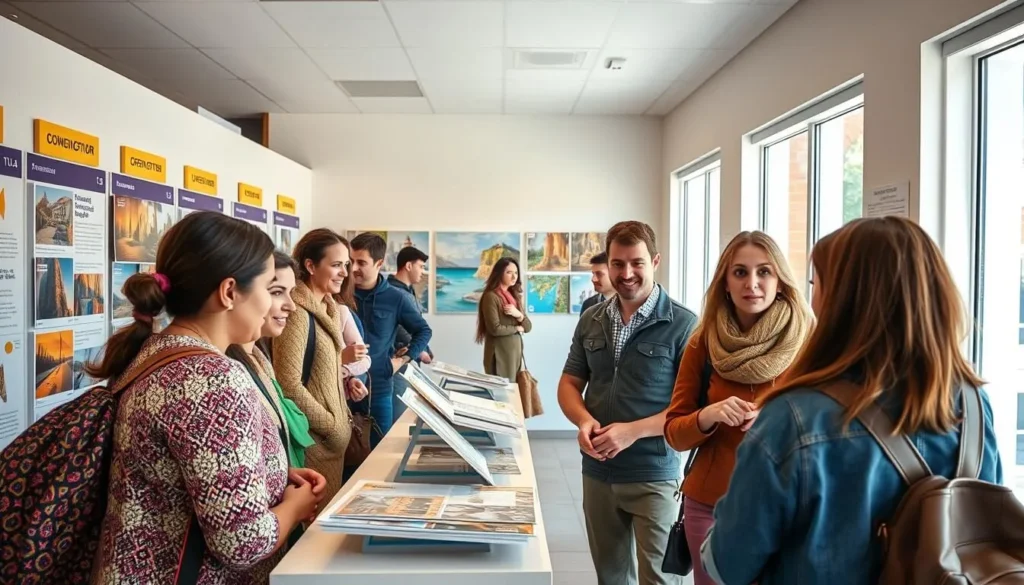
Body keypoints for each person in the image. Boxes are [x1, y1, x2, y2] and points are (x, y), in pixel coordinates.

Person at [700, 217, 1003, 584]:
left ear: (844, 298)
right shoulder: (973, 405)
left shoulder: (794, 417)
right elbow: (985, 530)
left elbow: (727, 565)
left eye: (816, 284)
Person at [94, 211, 323, 584]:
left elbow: (177, 477)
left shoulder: (159, 351)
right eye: (270, 288)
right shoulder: (212, 380)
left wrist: (271, 474)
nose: (277, 303)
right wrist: (296, 508)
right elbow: (243, 544)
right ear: (230, 292)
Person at [662, 231, 811, 585]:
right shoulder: (702, 342)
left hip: (785, 506)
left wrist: (775, 417)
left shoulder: (808, 343)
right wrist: (707, 416)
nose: (753, 283)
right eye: (740, 272)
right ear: (725, 283)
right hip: (711, 505)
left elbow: (827, 428)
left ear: (780, 282)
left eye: (765, 272)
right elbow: (674, 433)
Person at [557, 221, 698, 585]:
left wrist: (631, 433)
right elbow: (570, 383)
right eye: (618, 264)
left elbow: (691, 408)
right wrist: (584, 422)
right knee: (611, 578)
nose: (627, 273)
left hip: (654, 475)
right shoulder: (592, 319)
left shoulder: (684, 324)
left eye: (636, 263)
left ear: (655, 261)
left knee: (661, 581)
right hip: (598, 474)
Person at [274, 228, 369, 504]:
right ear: (311, 266)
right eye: (336, 265)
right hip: (313, 446)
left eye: (346, 265)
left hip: (329, 449)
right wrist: (332, 426)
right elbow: (288, 384)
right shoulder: (299, 314)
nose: (345, 273)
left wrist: (346, 379)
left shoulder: (328, 308)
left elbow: (319, 368)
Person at [226, 251, 316, 470]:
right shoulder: (228, 373)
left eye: (291, 293)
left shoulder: (258, 357)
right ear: (232, 293)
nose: (291, 306)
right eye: (276, 292)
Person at [350, 233, 432, 445]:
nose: (353, 269)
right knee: (348, 462)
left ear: (379, 263)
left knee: (379, 452)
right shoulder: (341, 295)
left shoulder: (396, 298)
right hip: (343, 392)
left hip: (380, 391)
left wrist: (404, 359)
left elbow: (424, 331)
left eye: (361, 262)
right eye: (350, 262)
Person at [387, 245, 433, 420]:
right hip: (398, 360)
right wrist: (420, 350)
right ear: (408, 266)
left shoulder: (406, 290)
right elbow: (399, 327)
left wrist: (425, 347)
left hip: (408, 358)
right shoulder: (394, 292)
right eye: (420, 266)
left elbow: (416, 325)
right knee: (400, 418)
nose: (422, 271)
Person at [475, 257, 531, 381]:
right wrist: (517, 328)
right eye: (509, 272)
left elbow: (528, 327)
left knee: (514, 395)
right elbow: (495, 329)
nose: (514, 277)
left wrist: (518, 315)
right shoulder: (491, 297)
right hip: (499, 355)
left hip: (515, 355)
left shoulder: (514, 296)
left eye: (516, 273)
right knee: (503, 397)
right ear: (499, 273)